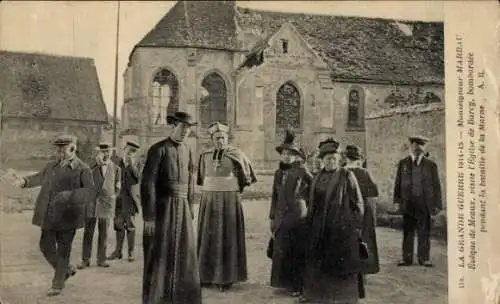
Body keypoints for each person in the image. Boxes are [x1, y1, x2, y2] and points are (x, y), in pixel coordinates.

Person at [13, 134, 94, 296]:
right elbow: (39, 178)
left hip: (68, 216)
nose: (60, 155)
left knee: (64, 250)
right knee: (45, 246)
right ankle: (65, 270)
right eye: (58, 151)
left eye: (64, 151)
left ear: (73, 149)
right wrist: (24, 181)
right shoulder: (52, 166)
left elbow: (90, 192)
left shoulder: (83, 169)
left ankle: (57, 284)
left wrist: (70, 195)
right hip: (49, 215)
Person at [140, 111, 201, 304]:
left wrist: (191, 205)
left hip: (182, 208)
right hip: (163, 208)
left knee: (185, 252)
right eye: (182, 127)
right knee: (160, 252)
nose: (185, 132)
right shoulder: (158, 149)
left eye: (189, 129)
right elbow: (147, 184)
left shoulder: (188, 150)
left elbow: (191, 179)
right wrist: (149, 216)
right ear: (172, 126)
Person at [300, 138, 365, 304]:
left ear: (339, 160)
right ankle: (315, 295)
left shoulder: (346, 175)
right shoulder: (317, 176)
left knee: (338, 262)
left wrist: (356, 226)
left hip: (340, 226)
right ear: (322, 160)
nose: (331, 161)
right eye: (327, 158)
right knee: (317, 260)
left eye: (334, 158)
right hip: (318, 224)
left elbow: (357, 202)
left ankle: (341, 297)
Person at [196, 121, 257, 292]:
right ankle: (205, 275)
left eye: (223, 137)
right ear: (212, 139)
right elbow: (201, 178)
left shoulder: (237, 155)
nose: (220, 141)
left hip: (229, 200)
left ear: (227, 138)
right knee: (209, 234)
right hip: (209, 200)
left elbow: (246, 179)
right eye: (217, 138)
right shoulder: (204, 156)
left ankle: (226, 277)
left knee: (227, 235)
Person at [269, 129, 313, 297]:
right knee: (282, 249)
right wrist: (272, 217)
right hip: (281, 216)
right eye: (284, 153)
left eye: (290, 154)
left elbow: (315, 187)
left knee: (296, 250)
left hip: (297, 215)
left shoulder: (302, 170)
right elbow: (274, 196)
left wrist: (305, 201)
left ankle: (298, 285)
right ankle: (284, 282)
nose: (287, 156)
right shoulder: (278, 173)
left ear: (296, 156)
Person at [393, 135, 442, 267]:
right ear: (411, 146)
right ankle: (406, 258)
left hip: (424, 204)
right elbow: (398, 183)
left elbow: (436, 185)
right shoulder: (403, 163)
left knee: (424, 231)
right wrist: (397, 201)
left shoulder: (431, 165)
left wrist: (437, 204)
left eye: (421, 145)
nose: (418, 148)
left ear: (424, 148)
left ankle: (424, 258)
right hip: (408, 203)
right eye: (415, 145)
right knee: (407, 231)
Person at [78, 143, 121, 269]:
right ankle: (85, 260)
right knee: (88, 232)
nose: (106, 154)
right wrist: (96, 164)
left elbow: (118, 185)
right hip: (91, 202)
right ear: (99, 153)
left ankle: (101, 259)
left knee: (104, 232)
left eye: (108, 152)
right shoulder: (92, 166)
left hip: (106, 204)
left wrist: (114, 196)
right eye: (103, 152)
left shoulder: (116, 168)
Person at [344, 145, 380, 276]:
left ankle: (349, 267)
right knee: (365, 238)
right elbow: (373, 194)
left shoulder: (341, 172)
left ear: (346, 158)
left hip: (347, 209)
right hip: (364, 210)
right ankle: (364, 268)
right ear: (359, 159)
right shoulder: (365, 173)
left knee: (348, 238)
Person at [108, 140, 142, 262]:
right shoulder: (116, 162)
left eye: (133, 152)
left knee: (130, 225)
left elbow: (139, 178)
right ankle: (118, 251)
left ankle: (131, 252)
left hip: (130, 200)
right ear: (124, 150)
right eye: (129, 151)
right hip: (118, 200)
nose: (130, 154)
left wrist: (132, 165)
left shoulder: (138, 164)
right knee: (118, 225)